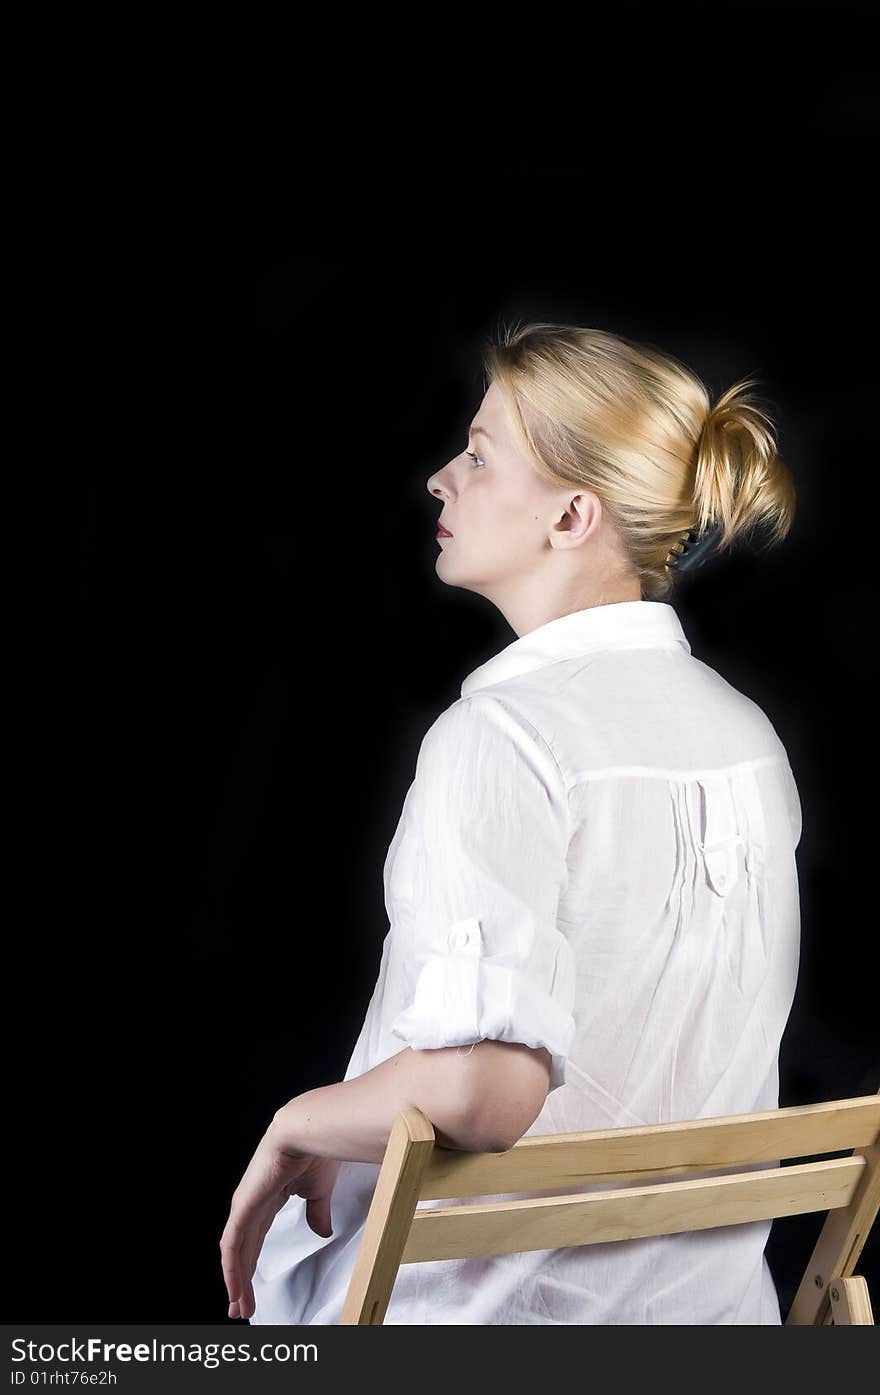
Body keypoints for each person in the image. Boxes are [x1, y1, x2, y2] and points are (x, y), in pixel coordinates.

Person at [220, 321, 802, 1324]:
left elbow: (488, 1092)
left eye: (481, 456)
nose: (442, 479)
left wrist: (300, 1119)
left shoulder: (502, 738)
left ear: (572, 515)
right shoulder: (743, 735)